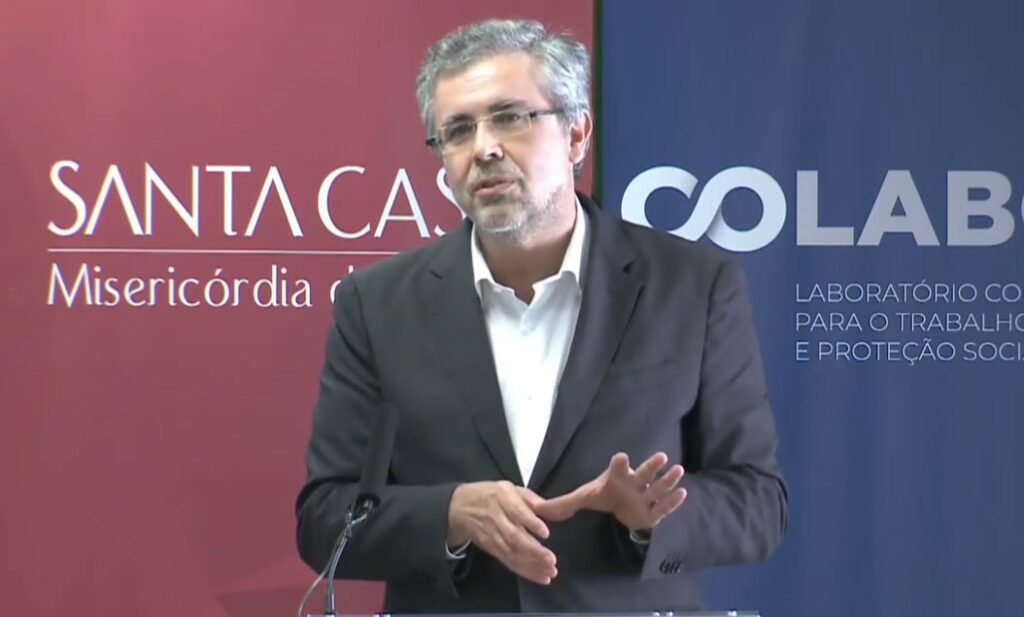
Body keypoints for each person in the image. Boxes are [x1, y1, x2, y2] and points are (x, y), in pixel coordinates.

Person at [296, 18, 787, 613]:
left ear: (576, 134)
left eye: (510, 117)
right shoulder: (376, 304)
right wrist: (452, 513)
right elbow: (325, 518)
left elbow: (759, 503)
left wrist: (652, 518)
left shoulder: (693, 287)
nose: (483, 148)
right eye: (458, 130)